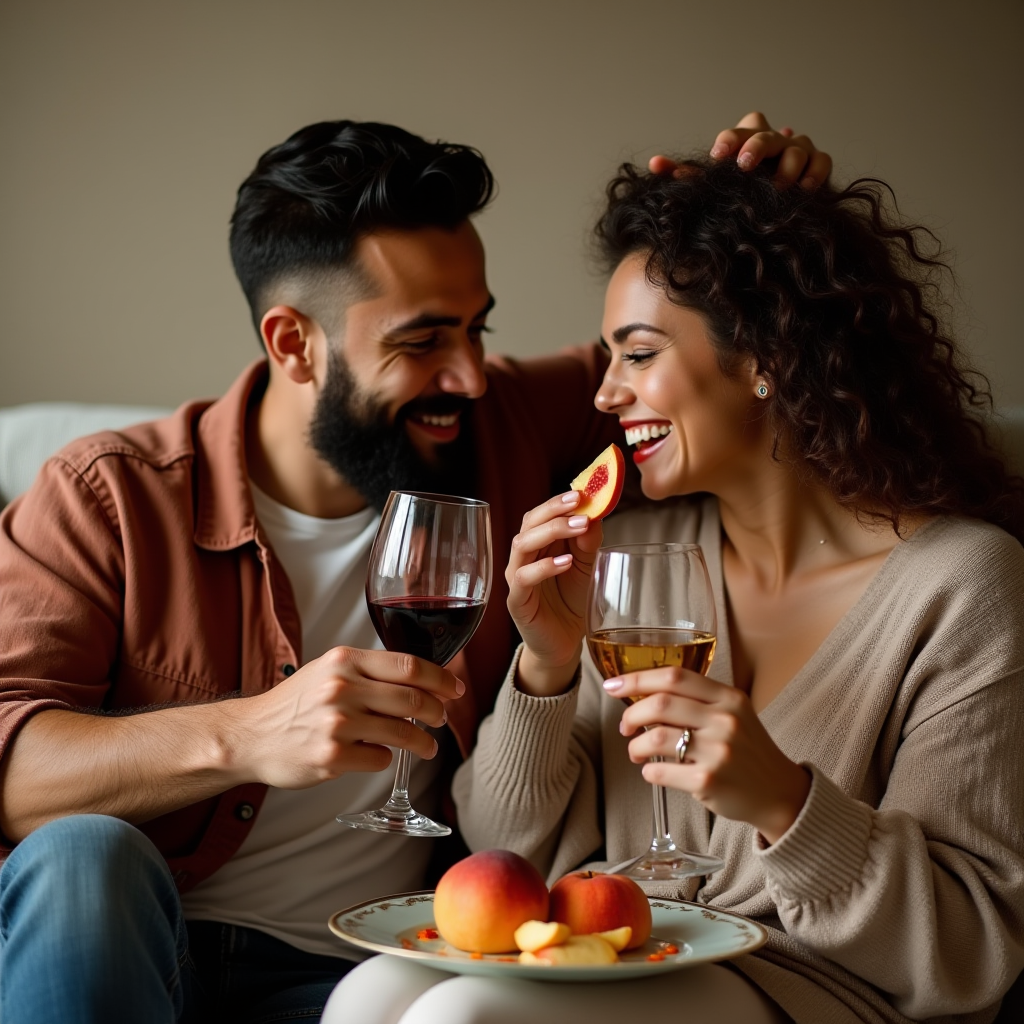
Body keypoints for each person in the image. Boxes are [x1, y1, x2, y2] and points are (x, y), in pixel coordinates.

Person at [0, 116, 828, 1022]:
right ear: (292, 344)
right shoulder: (108, 496)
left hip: (372, 972)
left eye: (477, 330)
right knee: (81, 855)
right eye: (422, 341)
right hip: (136, 953)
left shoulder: (510, 422)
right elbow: (12, 765)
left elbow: (699, 364)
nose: (470, 375)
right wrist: (245, 734)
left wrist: (767, 219)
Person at [329, 154, 1024, 1021]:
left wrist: (786, 802)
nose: (607, 391)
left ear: (767, 355)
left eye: (640, 354)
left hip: (814, 992)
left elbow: (969, 952)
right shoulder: (638, 554)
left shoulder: (962, 583)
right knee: (371, 991)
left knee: (461, 1016)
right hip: (629, 959)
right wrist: (545, 664)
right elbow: (508, 850)